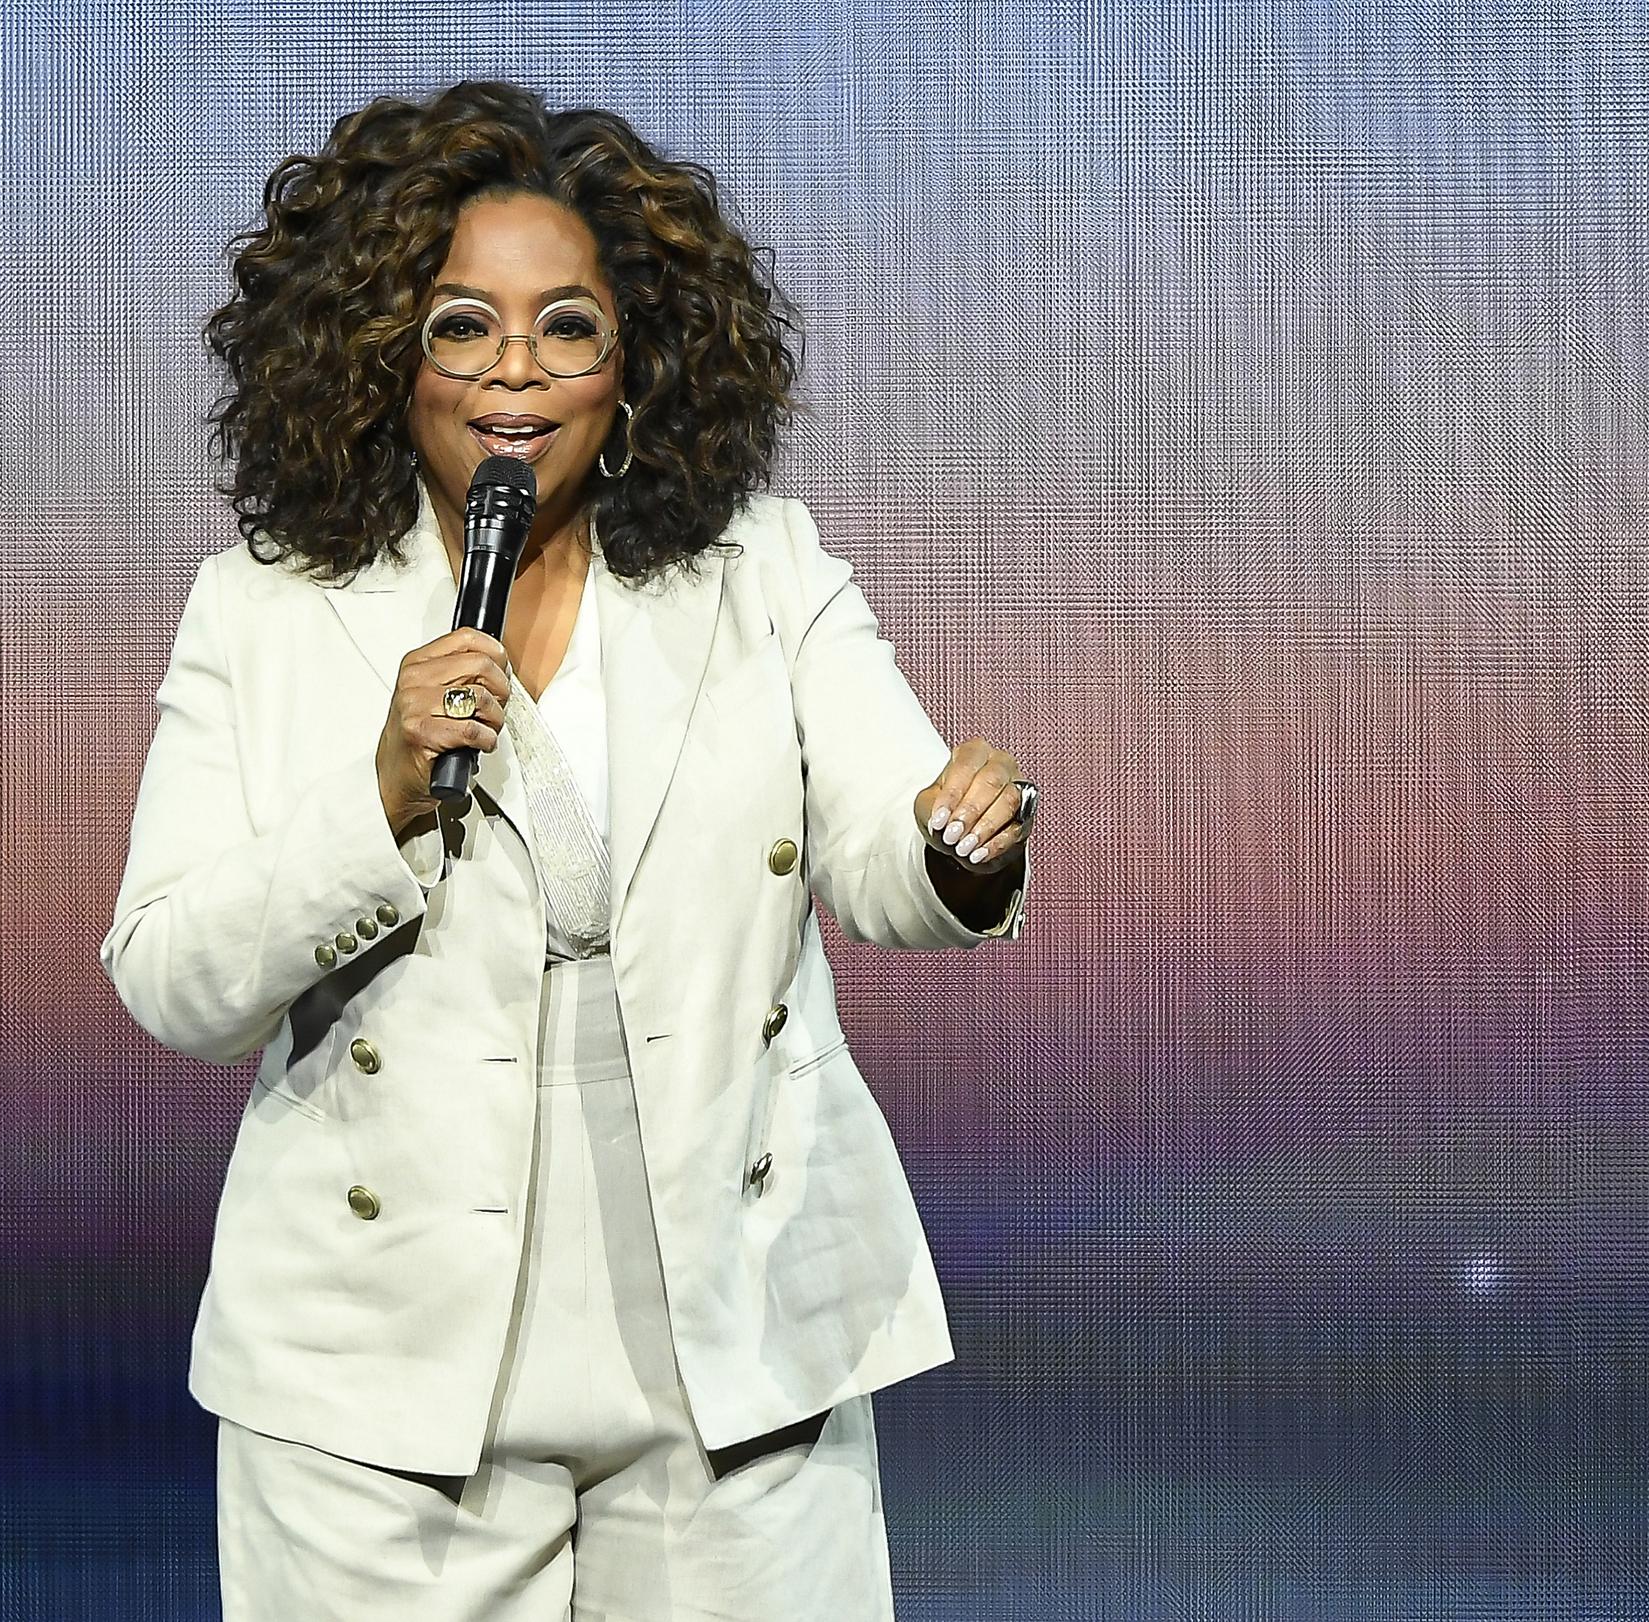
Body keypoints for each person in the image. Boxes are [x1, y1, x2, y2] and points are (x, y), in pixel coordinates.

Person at [100, 80, 1034, 1622]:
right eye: (462, 325)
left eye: (567, 328)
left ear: (639, 358)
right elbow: (171, 975)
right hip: (379, 1374)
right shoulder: (263, 610)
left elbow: (885, 836)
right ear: (379, 349)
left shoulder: (756, 573)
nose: (513, 372)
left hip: (728, 1333)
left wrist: (963, 854)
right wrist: (380, 796)